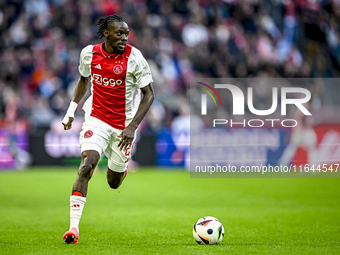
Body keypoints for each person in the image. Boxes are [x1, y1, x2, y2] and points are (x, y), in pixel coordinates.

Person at [61, 14, 154, 244]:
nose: (125, 38)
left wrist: (132, 127)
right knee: (86, 166)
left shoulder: (135, 58)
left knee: (114, 183)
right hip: (97, 119)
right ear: (107, 34)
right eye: (120, 33)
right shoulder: (89, 53)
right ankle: (73, 229)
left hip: (124, 127)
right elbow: (84, 80)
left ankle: (120, 163)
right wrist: (71, 110)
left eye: (127, 34)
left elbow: (149, 94)